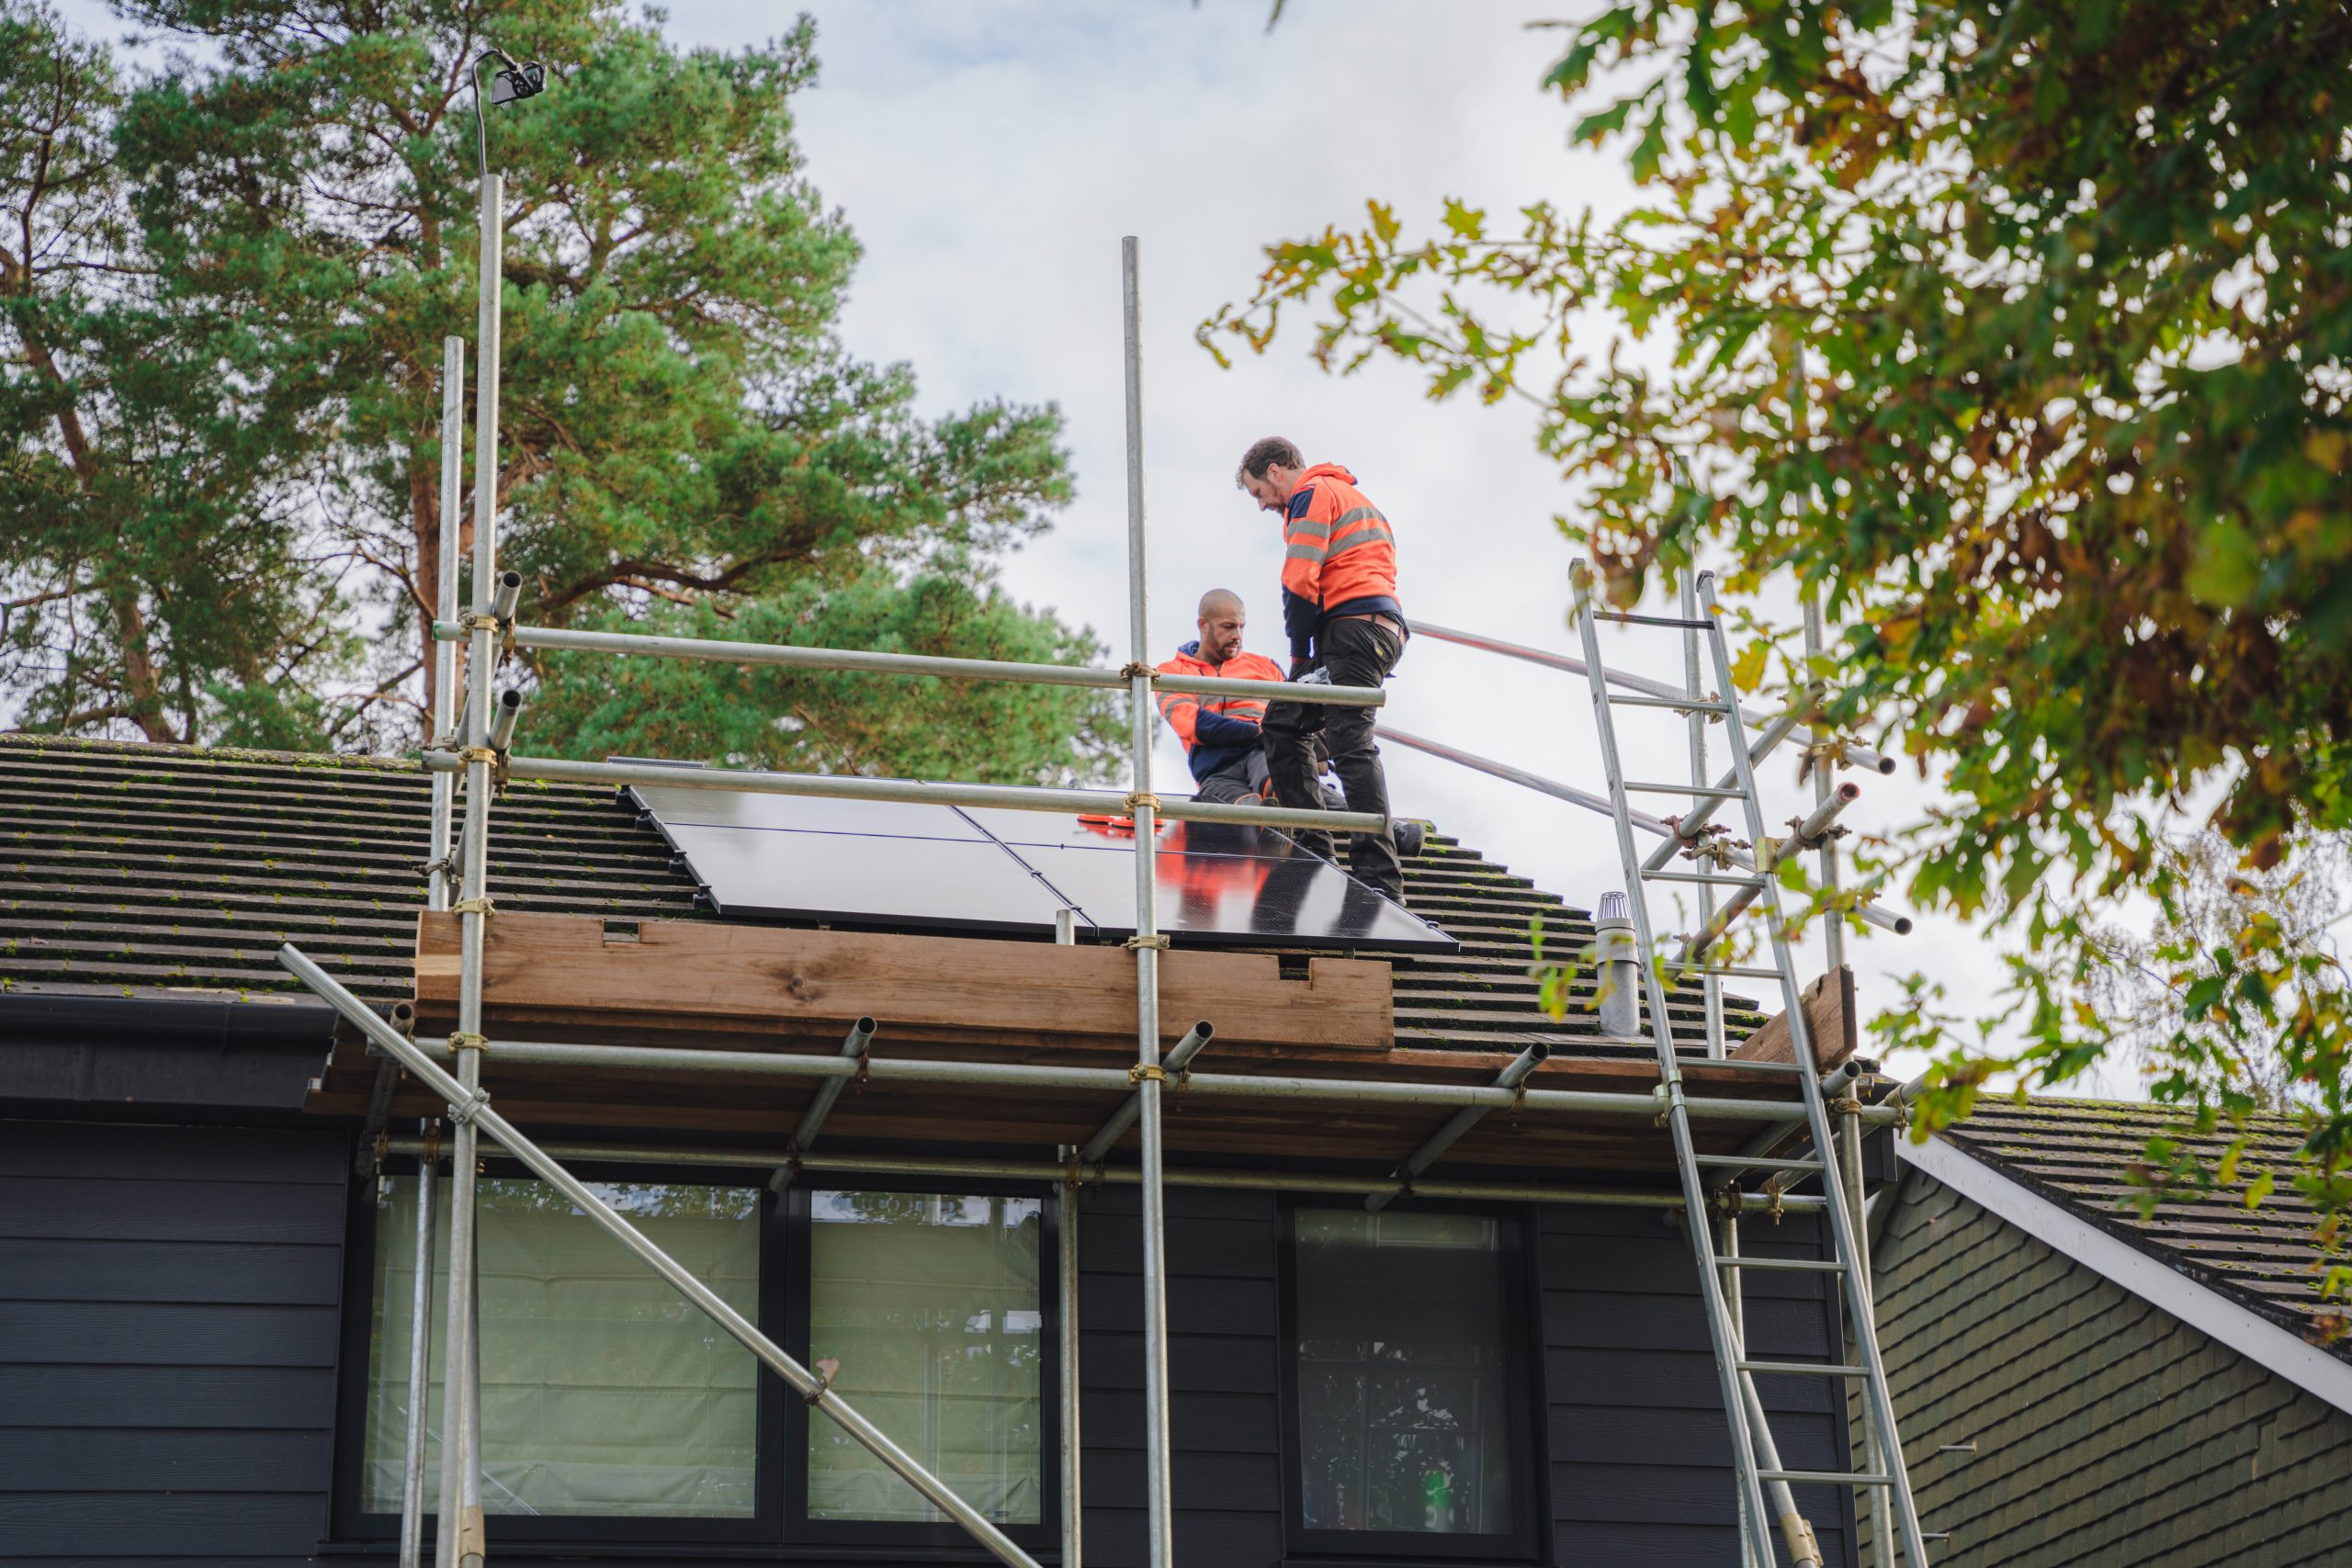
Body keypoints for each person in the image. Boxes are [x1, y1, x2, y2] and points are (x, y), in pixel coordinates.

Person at [1235, 436, 1408, 898]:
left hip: (1353, 630)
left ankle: (1380, 881)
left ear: (1275, 471)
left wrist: (1297, 657)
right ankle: (1316, 852)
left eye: (1258, 493)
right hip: (1375, 630)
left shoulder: (1311, 495)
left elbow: (1299, 578)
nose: (1262, 505)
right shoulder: (1356, 498)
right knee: (1283, 724)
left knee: (1351, 744)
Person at [1156, 587, 1425, 860]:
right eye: (1228, 627)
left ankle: (1387, 829)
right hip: (1216, 769)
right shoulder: (1171, 672)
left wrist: (1315, 746)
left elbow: (1296, 711)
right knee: (1240, 805)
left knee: (1284, 781)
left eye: (1241, 626)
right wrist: (1258, 731)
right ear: (1203, 624)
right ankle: (1269, 826)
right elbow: (1190, 723)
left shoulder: (1264, 666)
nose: (1237, 636)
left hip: (1263, 753)